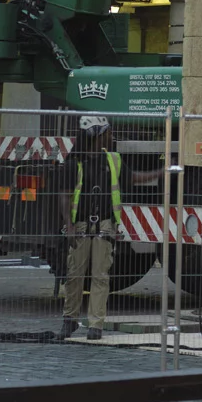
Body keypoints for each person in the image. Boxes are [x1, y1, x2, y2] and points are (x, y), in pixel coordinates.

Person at [60, 115, 123, 339]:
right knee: (74, 275)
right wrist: (69, 226)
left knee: (100, 276)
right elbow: (65, 195)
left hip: (104, 225)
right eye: (108, 132)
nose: (112, 136)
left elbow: (133, 178)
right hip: (80, 225)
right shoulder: (74, 162)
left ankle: (96, 325)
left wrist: (164, 172)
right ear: (96, 135)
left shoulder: (113, 160)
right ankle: (70, 320)